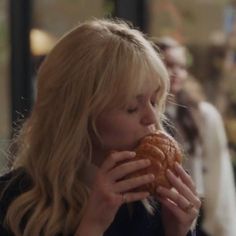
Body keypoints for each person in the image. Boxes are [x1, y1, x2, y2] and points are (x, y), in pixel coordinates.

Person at [0, 19, 200, 236]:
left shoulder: (154, 202)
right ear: (78, 116)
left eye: (154, 100)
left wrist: (177, 232)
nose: (152, 117)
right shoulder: (11, 202)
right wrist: (92, 226)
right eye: (132, 107)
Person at [155, 37, 236, 236]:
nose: (175, 73)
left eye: (181, 67)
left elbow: (219, 175)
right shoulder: (143, 115)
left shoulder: (204, 115)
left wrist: (223, 228)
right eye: (168, 64)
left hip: (196, 214)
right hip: (154, 210)